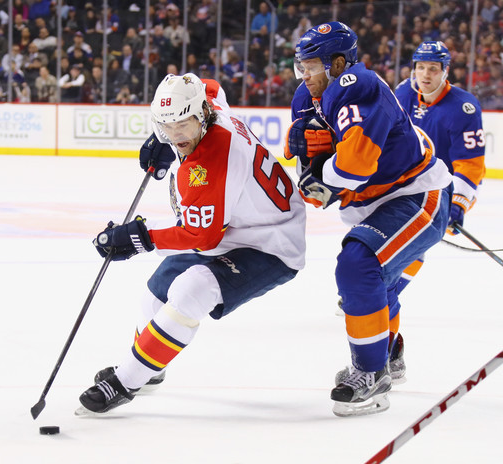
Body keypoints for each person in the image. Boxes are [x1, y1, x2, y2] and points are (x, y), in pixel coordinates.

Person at [76, 73, 307, 415]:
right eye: (166, 125)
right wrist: (162, 140)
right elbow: (210, 84)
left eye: (182, 125)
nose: (176, 135)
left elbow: (201, 236)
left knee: (190, 290)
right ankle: (151, 364)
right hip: (236, 226)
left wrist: (139, 236)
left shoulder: (210, 163)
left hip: (271, 243)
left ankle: (126, 380)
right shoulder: (208, 105)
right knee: (155, 295)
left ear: (201, 114)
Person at [285, 22, 452, 416]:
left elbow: (354, 169)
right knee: (379, 284)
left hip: (415, 195)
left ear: (338, 62)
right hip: (377, 201)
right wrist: (314, 169)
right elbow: (313, 177)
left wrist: (321, 173)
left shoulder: (357, 86)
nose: (303, 75)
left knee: (359, 265)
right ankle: (389, 354)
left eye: (310, 66)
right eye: (300, 67)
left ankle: (371, 374)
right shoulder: (308, 97)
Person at [395, 41, 485, 238]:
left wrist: (457, 202)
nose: (425, 74)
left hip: (445, 185)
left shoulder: (463, 107)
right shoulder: (403, 94)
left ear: (446, 71)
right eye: (421, 67)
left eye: (433, 69)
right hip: (411, 181)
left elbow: (471, 163)